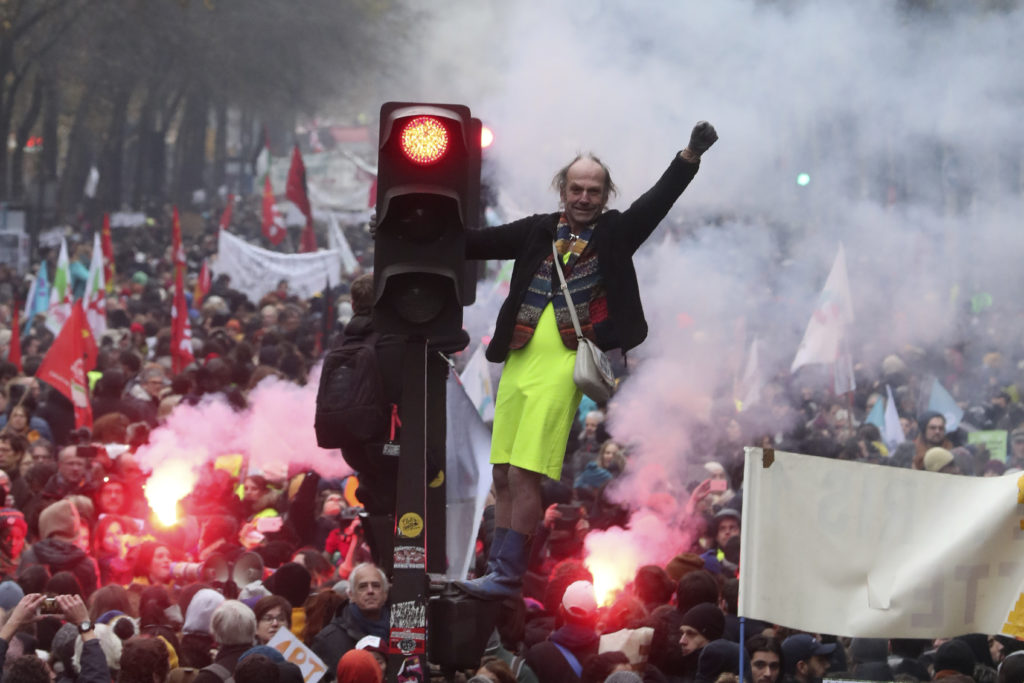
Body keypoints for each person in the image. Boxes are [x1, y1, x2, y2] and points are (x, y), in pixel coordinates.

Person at [458, 121, 718, 600]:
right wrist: (403, 229)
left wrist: (689, 157)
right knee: (501, 473)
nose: (583, 197)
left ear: (605, 194)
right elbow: (474, 241)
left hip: (565, 361)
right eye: (576, 188)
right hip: (516, 358)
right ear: (563, 190)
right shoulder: (539, 228)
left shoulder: (616, 232)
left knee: (523, 473)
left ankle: (509, 574)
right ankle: (496, 567)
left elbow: (656, 201)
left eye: (593, 190)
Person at [312, 562, 390, 681]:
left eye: (376, 585)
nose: (370, 591)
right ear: (351, 595)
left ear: (385, 594)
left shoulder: (404, 632)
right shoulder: (327, 640)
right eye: (363, 586)